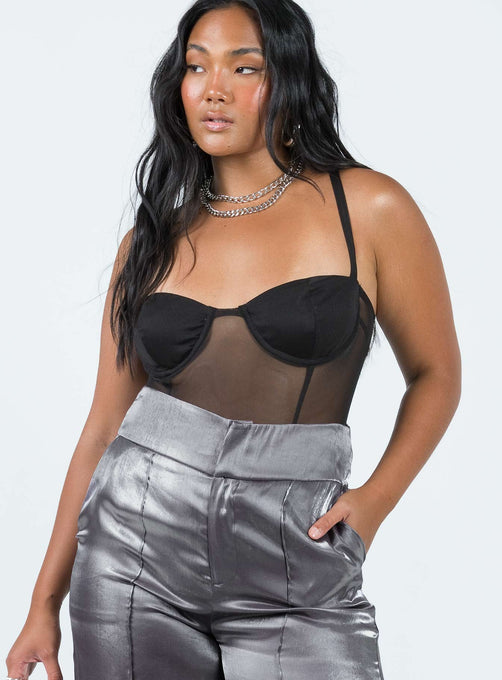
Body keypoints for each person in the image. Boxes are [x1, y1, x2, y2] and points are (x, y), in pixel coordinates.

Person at [5, 0, 462, 678]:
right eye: (197, 67)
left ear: (290, 80)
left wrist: (373, 503)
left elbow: (436, 374)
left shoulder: (369, 209)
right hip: (133, 555)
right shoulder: (150, 243)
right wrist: (44, 603)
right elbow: (103, 427)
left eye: (244, 68)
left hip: (298, 554)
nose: (213, 89)